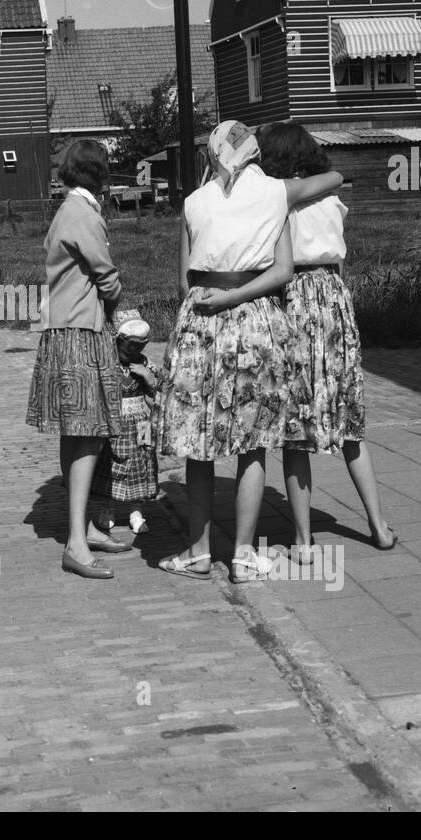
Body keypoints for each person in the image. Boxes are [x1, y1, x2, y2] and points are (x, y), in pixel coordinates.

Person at [155, 120, 344, 583]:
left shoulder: (193, 203)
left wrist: (214, 299)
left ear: (214, 154)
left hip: (201, 322)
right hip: (256, 323)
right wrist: (238, 298)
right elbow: (282, 272)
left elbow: (184, 282)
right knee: (252, 444)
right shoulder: (276, 193)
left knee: (198, 445)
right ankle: (243, 555)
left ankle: (198, 552)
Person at [257, 121, 397, 558]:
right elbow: (338, 259)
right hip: (334, 299)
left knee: (297, 430)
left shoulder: (280, 198)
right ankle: (378, 526)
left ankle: (302, 541)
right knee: (350, 425)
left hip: (295, 297)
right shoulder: (332, 199)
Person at [26, 138, 130, 581]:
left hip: (64, 329)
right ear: (99, 173)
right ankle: (75, 542)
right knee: (87, 435)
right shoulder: (82, 214)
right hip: (80, 333)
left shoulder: (67, 210)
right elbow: (105, 275)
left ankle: (81, 527)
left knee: (77, 434)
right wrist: (119, 300)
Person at [90, 313, 161, 538]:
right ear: (117, 341)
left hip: (140, 424)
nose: (133, 351)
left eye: (139, 346)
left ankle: (136, 512)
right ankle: (107, 508)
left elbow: (158, 394)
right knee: (113, 466)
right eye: (129, 345)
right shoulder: (108, 365)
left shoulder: (145, 364)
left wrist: (148, 377)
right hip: (116, 424)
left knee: (140, 467)